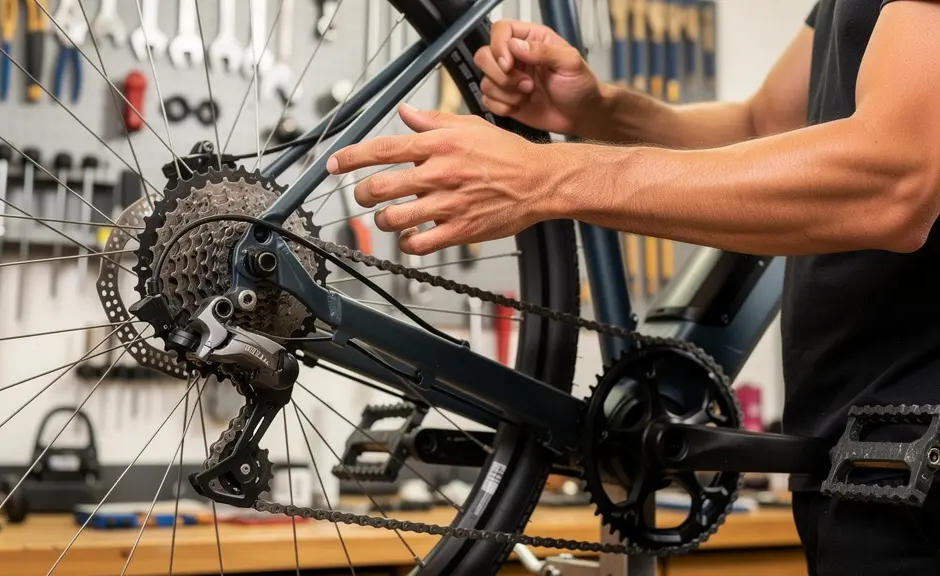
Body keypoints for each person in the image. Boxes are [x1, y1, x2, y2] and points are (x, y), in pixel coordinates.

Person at [326, 1, 940, 574]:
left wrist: (546, 176)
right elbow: (763, 127)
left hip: (919, 456)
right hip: (852, 463)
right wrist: (597, 112)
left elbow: (895, 181)